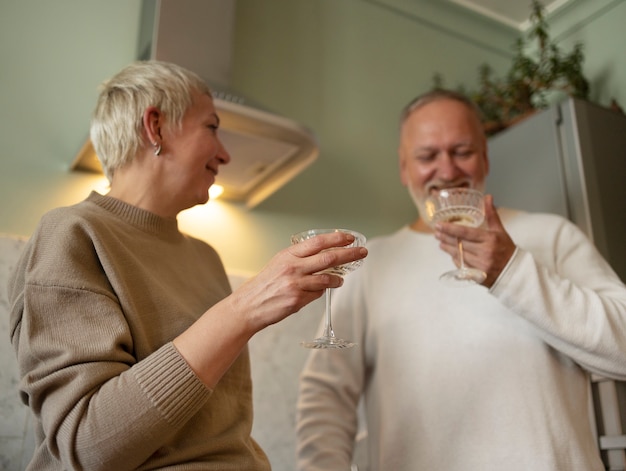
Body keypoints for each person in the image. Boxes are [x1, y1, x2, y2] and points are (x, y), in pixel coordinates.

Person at [7, 60, 367, 471]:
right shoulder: (72, 233)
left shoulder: (206, 257)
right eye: (211, 127)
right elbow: (89, 445)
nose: (225, 153)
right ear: (155, 127)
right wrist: (243, 309)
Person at [295, 89, 626, 470]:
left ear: (485, 157)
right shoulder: (369, 265)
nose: (448, 170)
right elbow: (326, 399)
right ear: (404, 168)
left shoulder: (552, 235)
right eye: (427, 156)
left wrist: (512, 271)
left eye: (462, 151)